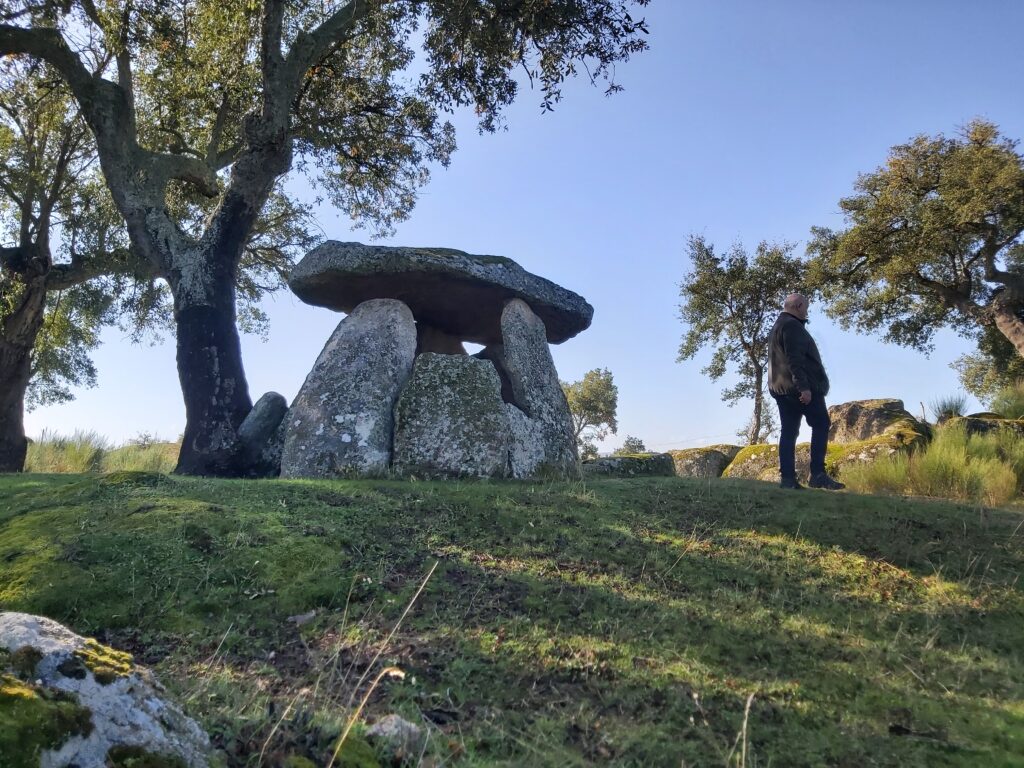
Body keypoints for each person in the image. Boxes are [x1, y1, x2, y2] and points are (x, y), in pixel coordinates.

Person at [767, 293, 844, 490]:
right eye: (806, 309)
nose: (806, 312)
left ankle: (788, 480)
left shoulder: (778, 326)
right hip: (801, 388)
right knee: (821, 423)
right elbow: (795, 359)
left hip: (781, 389)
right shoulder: (792, 326)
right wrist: (804, 388)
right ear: (799, 306)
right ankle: (817, 474)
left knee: (789, 431)